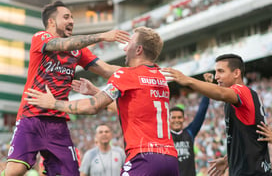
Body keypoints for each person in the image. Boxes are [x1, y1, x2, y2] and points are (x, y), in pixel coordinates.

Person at [25, 26, 179, 175]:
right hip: (170, 159)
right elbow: (131, 110)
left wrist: (53, 103)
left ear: (138, 50)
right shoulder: (160, 77)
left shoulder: (127, 75)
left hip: (144, 158)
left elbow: (93, 107)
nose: (125, 48)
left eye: (129, 44)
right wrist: (95, 91)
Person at [2, 0, 130, 176]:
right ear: (52, 22)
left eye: (72, 18)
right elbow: (63, 45)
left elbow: (107, 70)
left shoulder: (79, 51)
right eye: (66, 17)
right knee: (14, 171)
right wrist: (101, 36)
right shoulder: (41, 38)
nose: (72, 21)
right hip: (31, 116)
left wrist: (142, 71)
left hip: (58, 123)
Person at [161, 54, 272, 176]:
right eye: (216, 71)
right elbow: (248, 136)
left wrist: (188, 80)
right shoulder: (236, 101)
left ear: (236, 73)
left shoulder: (242, 91)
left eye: (221, 71)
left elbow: (221, 93)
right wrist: (227, 159)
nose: (217, 76)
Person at [171, 73, 212, 176]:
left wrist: (207, 85)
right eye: (173, 117)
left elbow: (201, 112)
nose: (177, 120)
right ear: (168, 120)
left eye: (179, 117)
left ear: (184, 119)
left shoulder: (189, 132)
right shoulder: (164, 137)